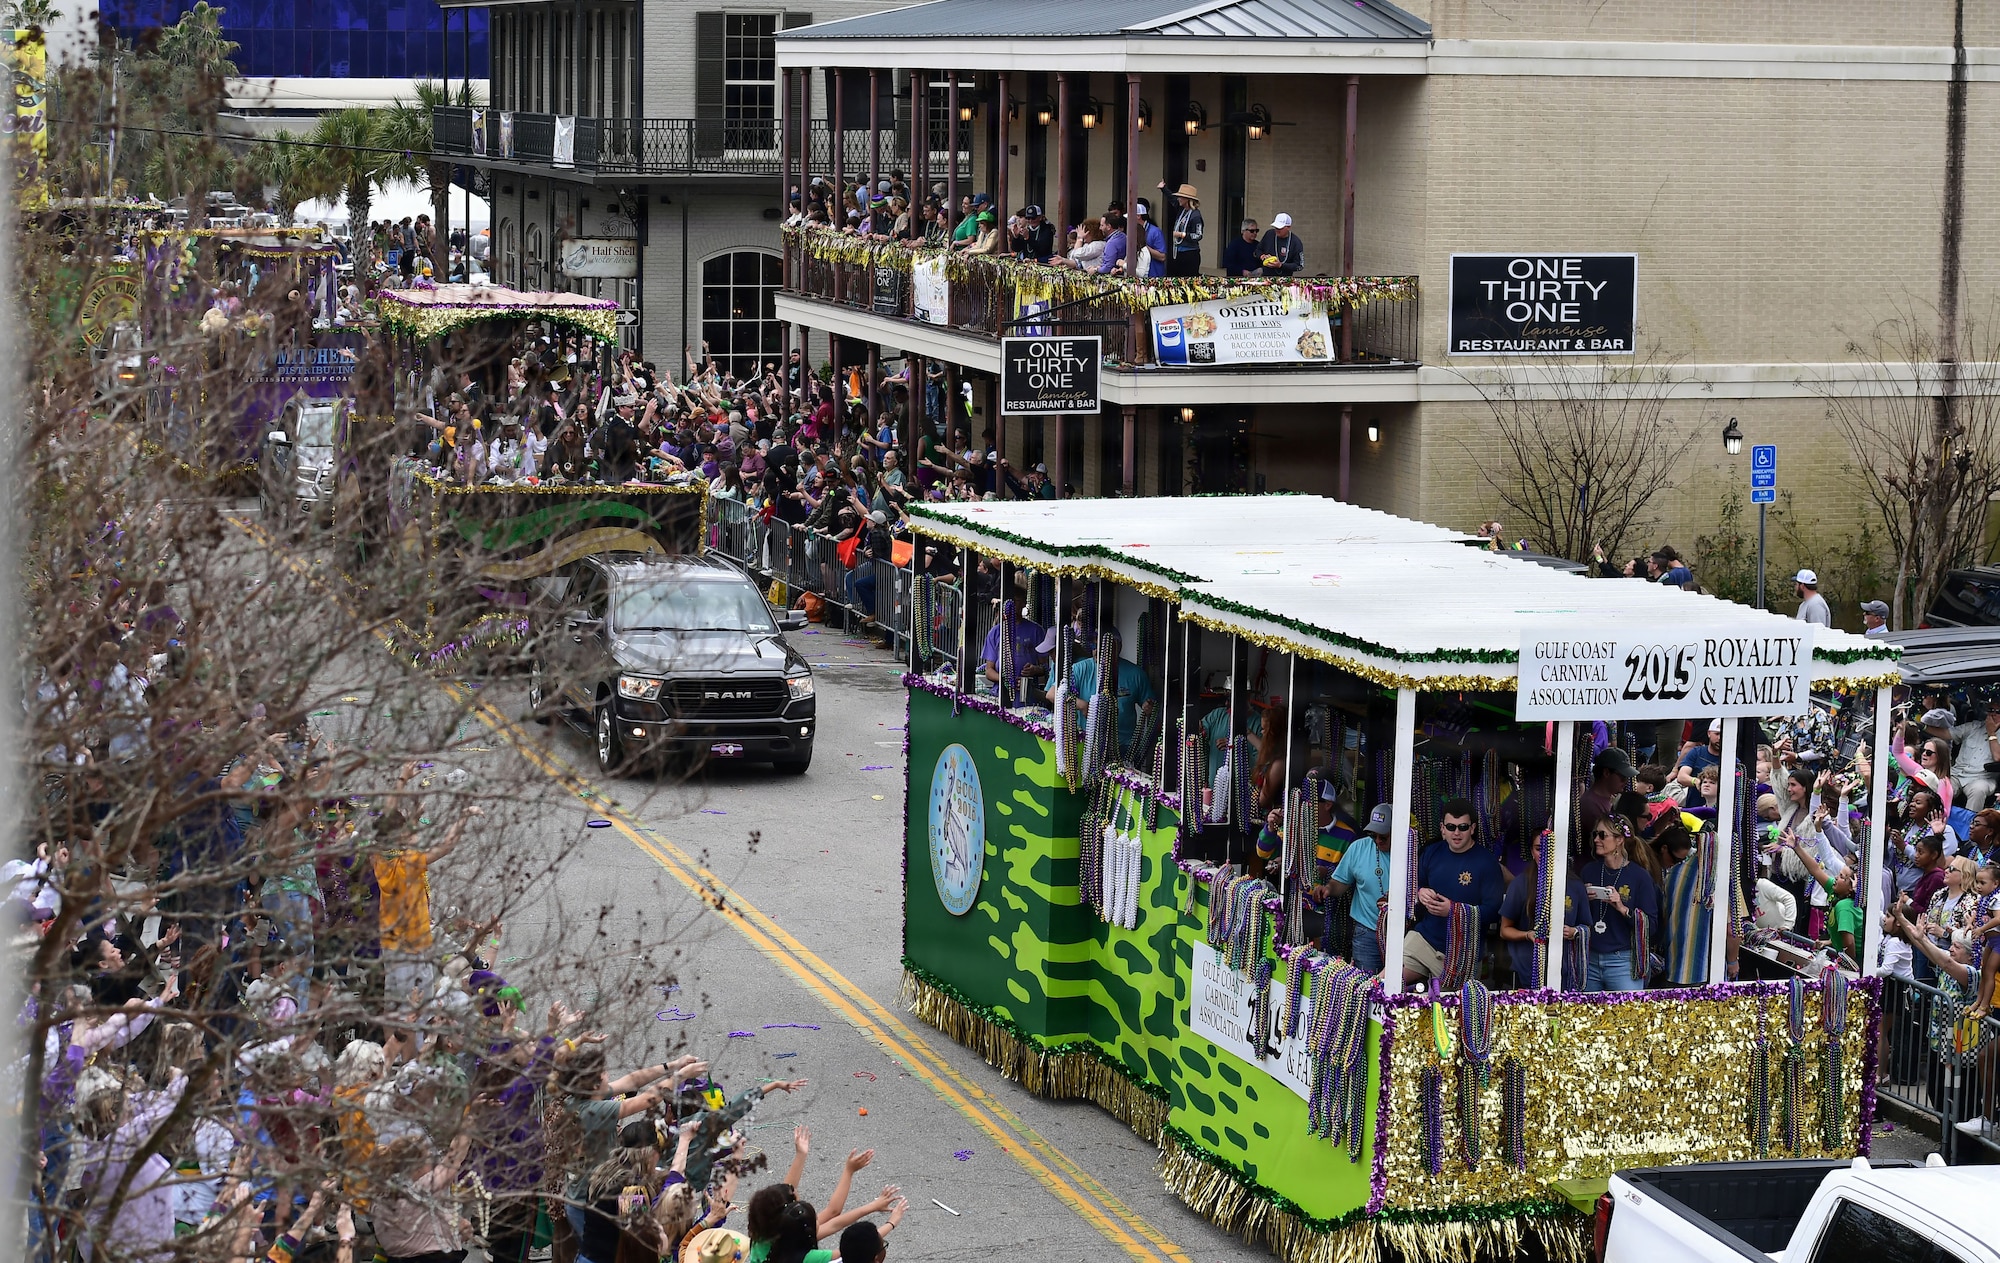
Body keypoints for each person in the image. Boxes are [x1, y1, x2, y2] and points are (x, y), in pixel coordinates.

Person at [1401, 798, 1505, 987]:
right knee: (1387, 981)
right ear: (1442, 828)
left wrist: (1454, 911)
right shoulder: (1432, 853)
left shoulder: (1487, 863)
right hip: (1424, 938)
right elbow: (1413, 884)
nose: (1456, 833)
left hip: (1461, 955)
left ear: (1472, 828)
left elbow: (1493, 910)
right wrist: (1420, 892)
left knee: (1451, 1011)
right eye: (1451, 827)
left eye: (1463, 827)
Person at [1497, 829, 1587, 990]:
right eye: (1539, 849)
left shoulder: (1575, 885)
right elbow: (1505, 930)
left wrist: (1574, 932)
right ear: (1532, 851)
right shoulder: (1520, 884)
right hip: (1526, 971)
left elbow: (1587, 927)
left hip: (1566, 973)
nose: (1544, 854)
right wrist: (1527, 935)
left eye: (1549, 849)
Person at [1579, 815, 1660, 991]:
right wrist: (1582, 900)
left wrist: (1623, 909)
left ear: (1619, 840)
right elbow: (1576, 917)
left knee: (1627, 1016)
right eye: (1595, 834)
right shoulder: (1589, 871)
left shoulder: (1639, 876)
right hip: (1590, 958)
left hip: (1623, 961)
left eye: (1602, 835)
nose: (1596, 840)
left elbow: (1651, 925)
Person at [1054, 627, 1157, 755]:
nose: (1096, 650)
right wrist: (1081, 704)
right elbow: (1054, 694)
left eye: (1102, 647)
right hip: (1087, 745)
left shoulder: (1136, 674)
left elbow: (1152, 708)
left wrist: (1149, 708)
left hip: (1123, 747)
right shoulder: (1079, 669)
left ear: (1117, 647)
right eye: (1093, 645)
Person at [1324, 803, 1394, 976]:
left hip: (1402, 933)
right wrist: (1327, 889)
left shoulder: (1412, 851)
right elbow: (1341, 883)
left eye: (1383, 836)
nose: (1377, 840)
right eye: (1373, 835)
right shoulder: (1359, 847)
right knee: (1366, 986)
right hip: (1367, 932)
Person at [1937, 700, 2000, 812]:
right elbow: (1947, 734)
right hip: (1958, 774)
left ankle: (1970, 826)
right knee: (1941, 784)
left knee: (1978, 790)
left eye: (1998, 711)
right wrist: (1922, 727)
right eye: (1991, 710)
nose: (1993, 714)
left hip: (1982, 778)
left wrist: (1991, 733)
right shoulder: (1974, 726)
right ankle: (1936, 820)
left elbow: (1997, 757)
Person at [1577, 747, 1634, 840]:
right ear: (1606, 773)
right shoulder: (1591, 805)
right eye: (1623, 777)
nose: (1626, 781)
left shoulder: (1605, 800)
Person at [1673, 721, 1724, 810]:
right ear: (1709, 733)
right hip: (1694, 806)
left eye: (1723, 734)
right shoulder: (1696, 753)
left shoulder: (1732, 759)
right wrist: (1696, 781)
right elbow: (1681, 777)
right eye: (1717, 734)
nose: (1720, 738)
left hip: (1719, 809)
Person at [1162, 183, 1204, 276]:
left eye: (1181, 197)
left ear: (1187, 199)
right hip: (1177, 252)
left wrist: (1182, 235)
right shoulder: (1182, 210)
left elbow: (1198, 235)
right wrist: (1163, 188)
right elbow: (1172, 199)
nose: (1178, 199)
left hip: (1190, 254)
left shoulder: (1195, 215)